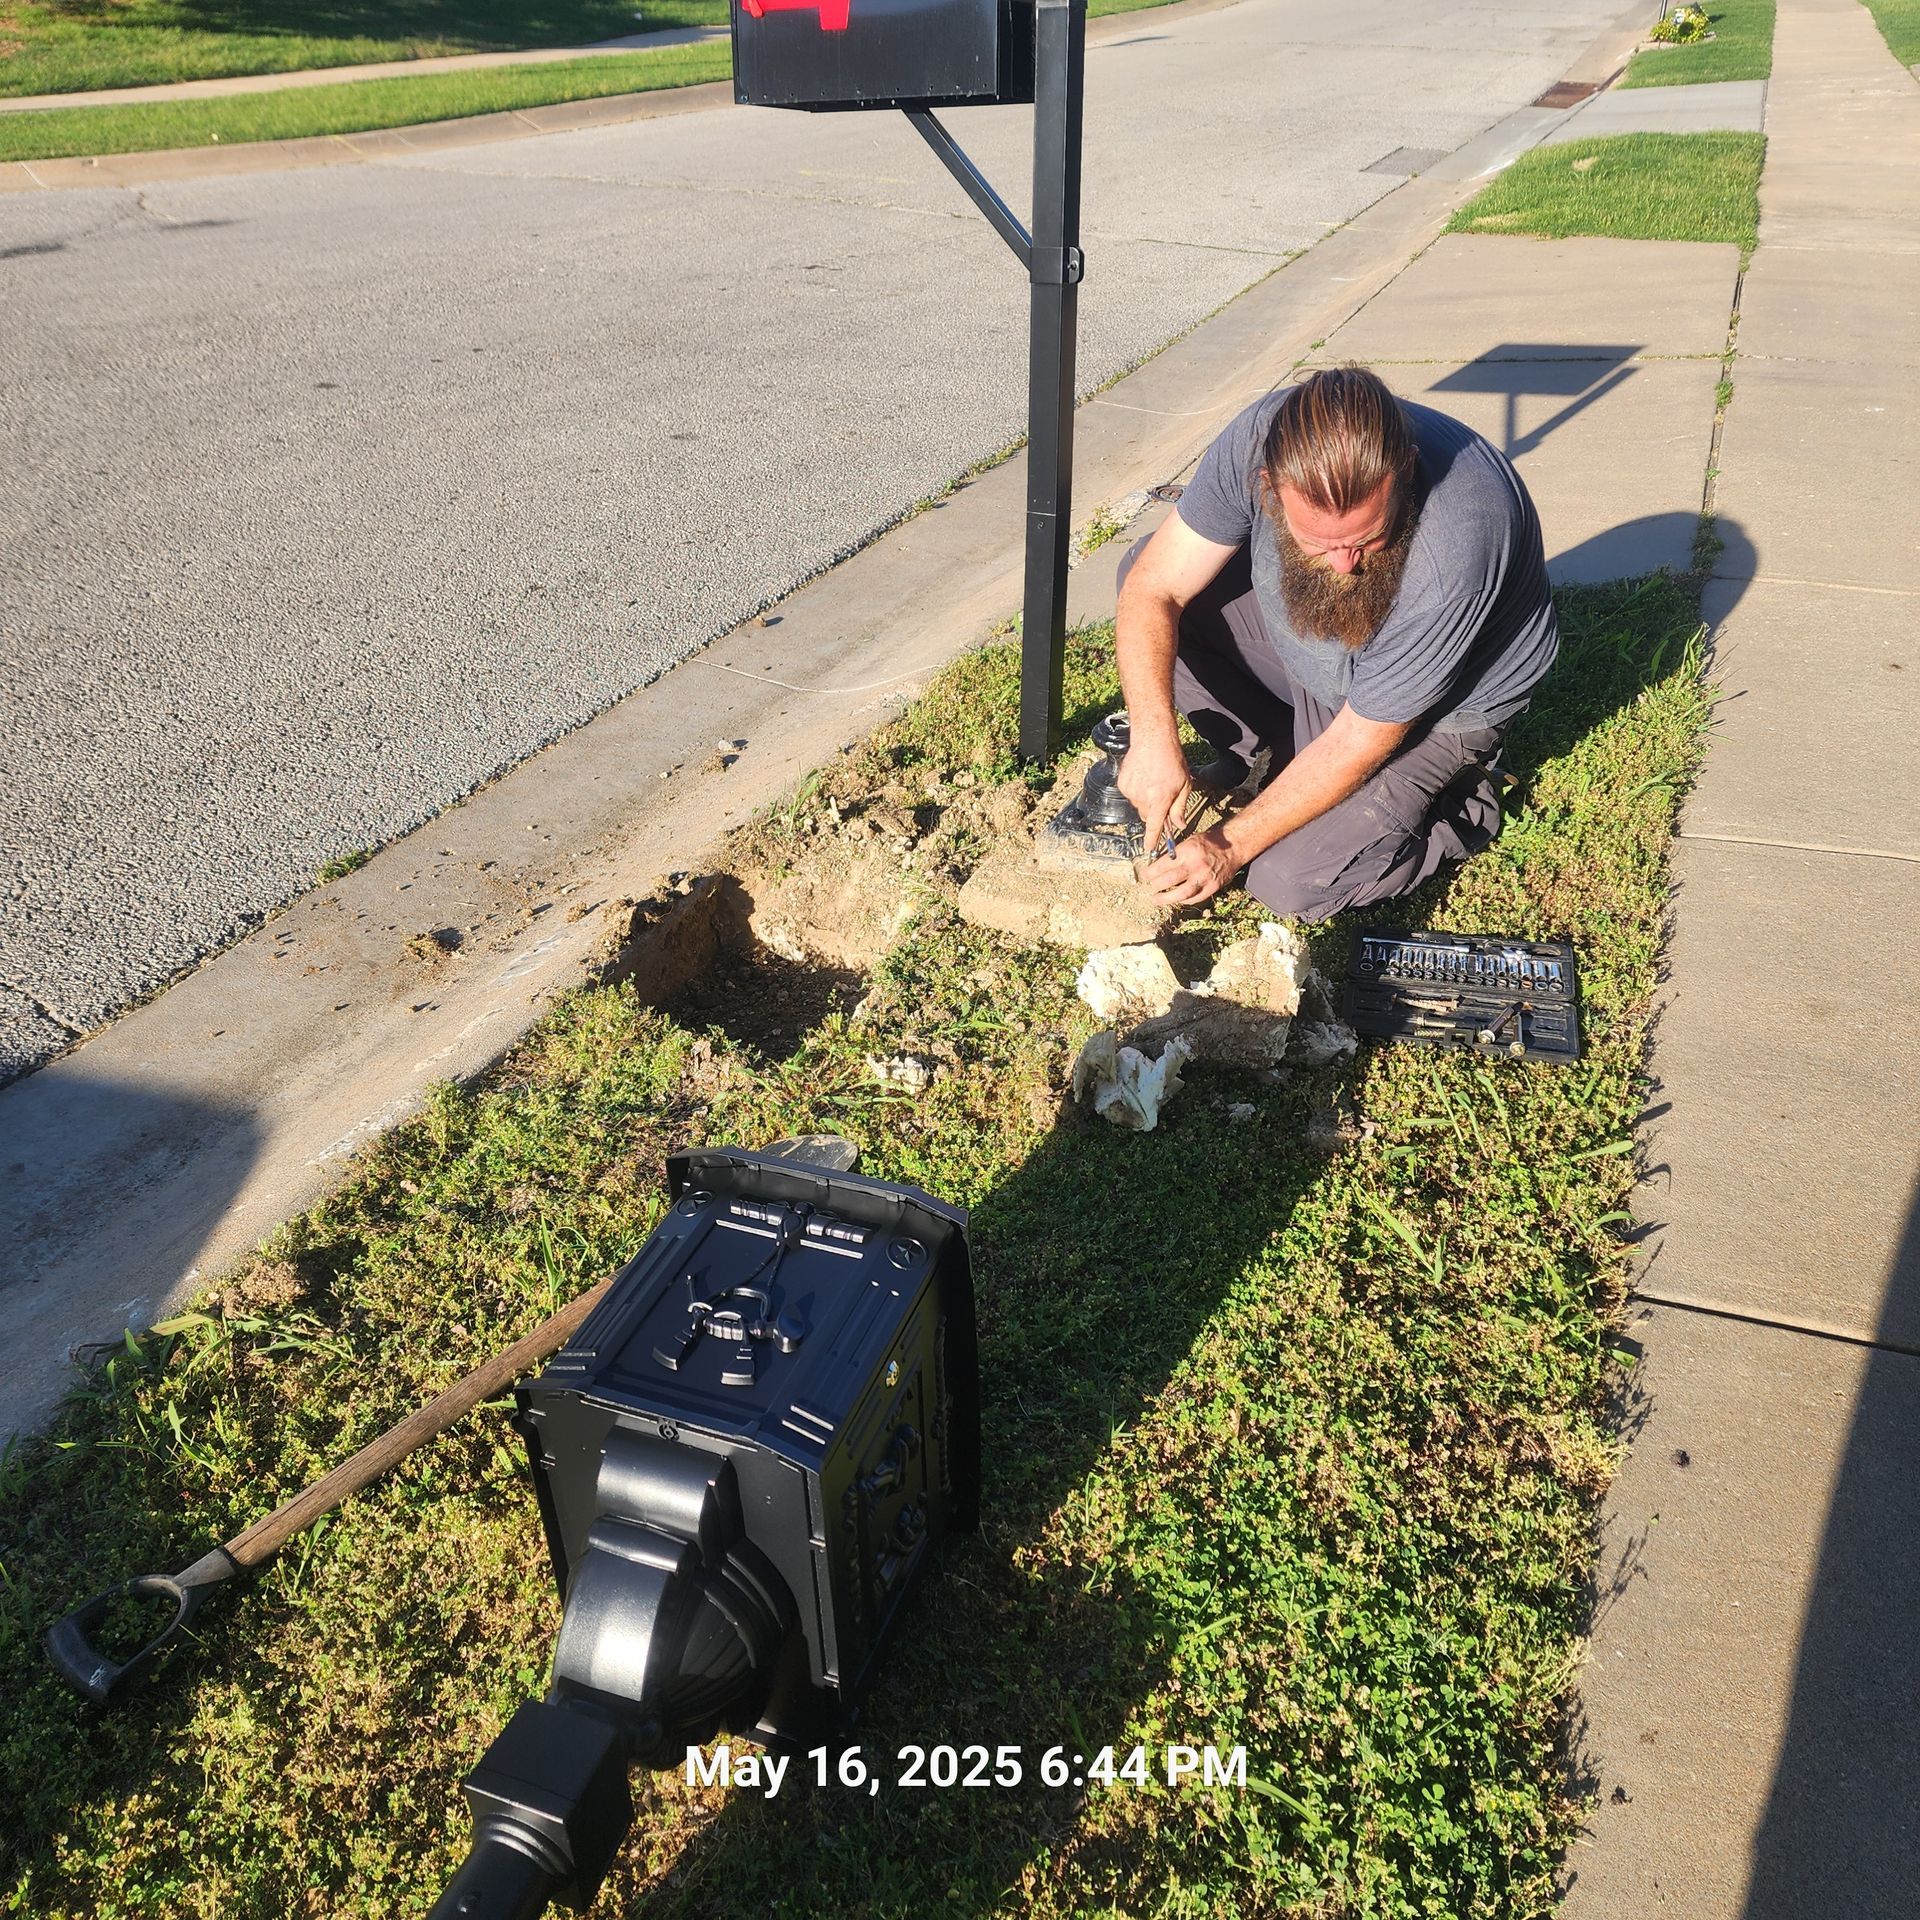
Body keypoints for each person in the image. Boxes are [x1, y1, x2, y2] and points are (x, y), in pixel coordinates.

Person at [1113, 364, 1558, 921]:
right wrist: (1152, 738)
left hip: (1434, 713)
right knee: (1151, 587)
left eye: (1367, 538)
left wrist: (1228, 847)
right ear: (1269, 486)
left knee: (1288, 881)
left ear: (1405, 472)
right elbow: (1154, 587)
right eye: (1317, 541)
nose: (1345, 565)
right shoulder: (1256, 441)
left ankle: (1457, 805)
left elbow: (1361, 739)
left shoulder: (1456, 546)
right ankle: (1278, 754)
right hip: (1326, 660)